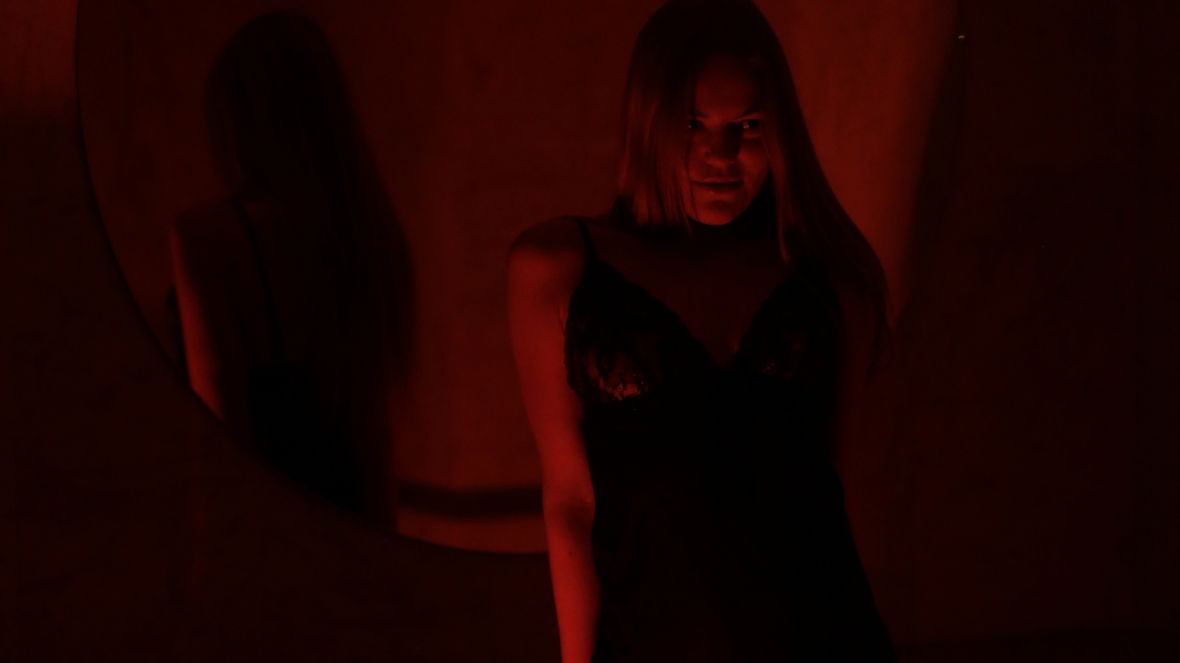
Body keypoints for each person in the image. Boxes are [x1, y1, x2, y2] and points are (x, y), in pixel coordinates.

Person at [507, 1, 896, 660]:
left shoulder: (831, 284)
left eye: (748, 126)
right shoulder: (556, 269)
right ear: (649, 122)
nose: (722, 156)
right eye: (693, 124)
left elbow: (838, 492)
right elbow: (571, 501)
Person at [170, 12, 413, 525]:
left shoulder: (207, 238)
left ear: (238, 120)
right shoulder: (361, 234)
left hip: (264, 530)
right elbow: (373, 442)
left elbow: (220, 427)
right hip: (350, 525)